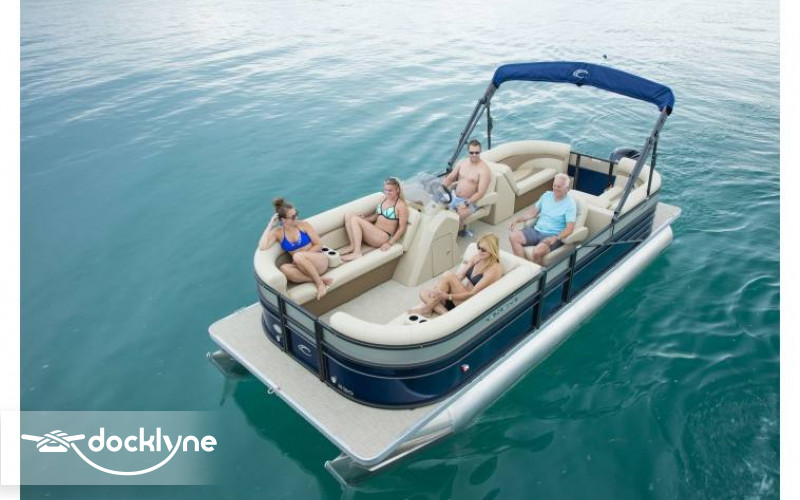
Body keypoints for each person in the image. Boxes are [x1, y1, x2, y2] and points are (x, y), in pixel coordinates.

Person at [410, 233, 503, 316]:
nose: (479, 251)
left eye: (483, 250)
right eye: (478, 247)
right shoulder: (477, 258)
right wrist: (439, 289)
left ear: (492, 250)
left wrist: (447, 296)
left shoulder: (494, 270)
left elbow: (472, 294)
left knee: (448, 275)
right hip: (457, 298)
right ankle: (445, 314)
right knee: (423, 293)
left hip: (469, 303)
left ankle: (427, 308)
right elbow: (459, 276)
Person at [258, 198, 332, 300]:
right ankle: (318, 279)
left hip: (319, 261)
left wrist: (301, 257)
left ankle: (320, 284)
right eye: (292, 217)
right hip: (302, 268)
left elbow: (318, 244)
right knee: (284, 268)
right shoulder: (278, 233)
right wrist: (270, 225)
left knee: (297, 256)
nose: (296, 217)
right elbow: (263, 246)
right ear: (283, 219)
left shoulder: (304, 225)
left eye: (296, 214)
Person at [508, 173, 576, 265]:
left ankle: (534, 272)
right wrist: (517, 220)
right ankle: (522, 266)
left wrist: (556, 238)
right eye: (554, 185)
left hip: (552, 235)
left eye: (559, 187)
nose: (555, 189)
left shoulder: (570, 204)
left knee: (537, 252)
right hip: (536, 231)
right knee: (513, 237)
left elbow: (569, 229)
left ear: (567, 189)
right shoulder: (546, 195)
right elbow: (532, 213)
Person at [340, 177, 409, 262]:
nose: (387, 193)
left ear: (397, 190)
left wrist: (389, 243)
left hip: (382, 237)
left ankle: (357, 253)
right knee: (349, 215)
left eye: (390, 190)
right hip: (373, 233)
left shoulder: (400, 206)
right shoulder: (383, 199)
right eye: (385, 190)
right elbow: (375, 217)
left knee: (355, 219)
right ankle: (352, 245)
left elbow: (402, 228)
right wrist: (364, 219)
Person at [442, 139, 492, 237]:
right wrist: (441, 188)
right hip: (454, 196)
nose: (474, 155)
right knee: (438, 206)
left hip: (470, 201)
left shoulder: (484, 170)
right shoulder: (462, 163)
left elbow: (480, 192)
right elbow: (450, 178)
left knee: (456, 216)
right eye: (471, 152)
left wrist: (466, 203)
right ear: (468, 152)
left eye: (477, 152)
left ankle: (456, 233)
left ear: (480, 152)